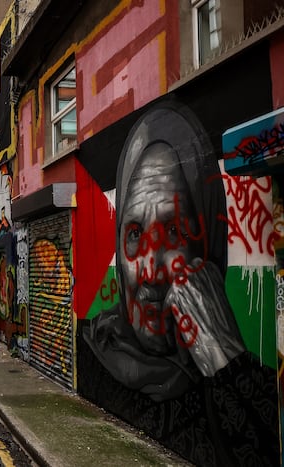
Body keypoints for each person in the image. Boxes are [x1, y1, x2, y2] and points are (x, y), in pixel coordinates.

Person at [79, 101, 276, 466]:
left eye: (174, 231)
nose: (151, 272)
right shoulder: (90, 352)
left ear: (209, 244)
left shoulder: (259, 385)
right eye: (134, 234)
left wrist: (226, 362)